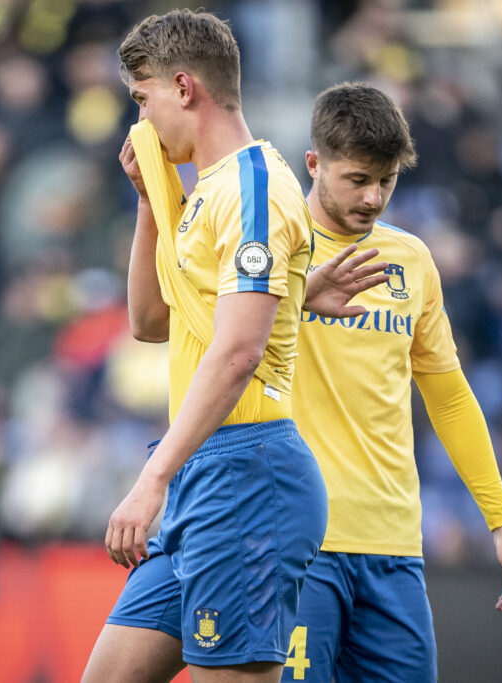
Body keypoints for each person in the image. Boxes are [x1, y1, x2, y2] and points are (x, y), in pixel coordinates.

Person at [81, 12, 388, 683]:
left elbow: (238, 352)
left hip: (248, 476)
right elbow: (152, 320)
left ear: (183, 88)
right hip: (205, 473)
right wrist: (147, 202)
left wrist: (151, 477)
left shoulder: (253, 188)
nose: (140, 120)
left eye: (143, 99)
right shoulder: (206, 192)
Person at [281, 83, 502, 683]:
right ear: (313, 164)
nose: (374, 197)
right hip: (296, 542)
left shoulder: (411, 260)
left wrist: (501, 522)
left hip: (393, 545)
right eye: (358, 179)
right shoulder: (273, 244)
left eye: (387, 181)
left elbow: (448, 396)